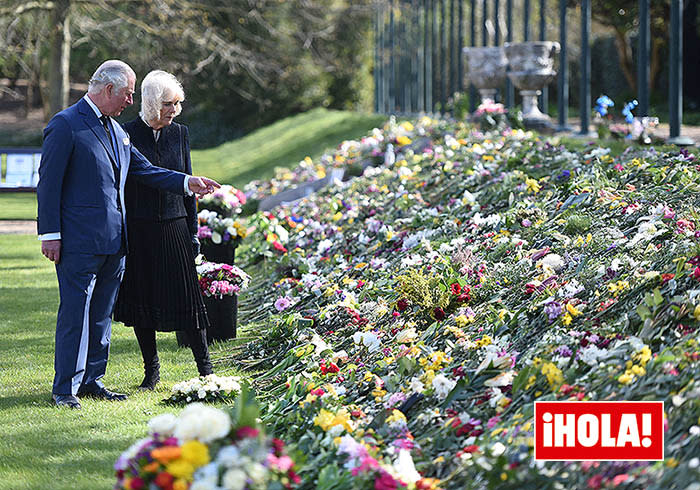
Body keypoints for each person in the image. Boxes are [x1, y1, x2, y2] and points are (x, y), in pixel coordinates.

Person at [37, 60, 219, 409]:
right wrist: (50, 234)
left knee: (102, 315)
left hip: (116, 243)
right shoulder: (66, 125)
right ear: (108, 90)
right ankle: (64, 389)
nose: (131, 101)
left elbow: (146, 171)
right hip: (79, 243)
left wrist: (187, 182)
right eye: (128, 94)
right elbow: (48, 186)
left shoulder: (117, 131)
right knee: (75, 314)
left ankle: (92, 380)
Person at [113, 70, 212, 390]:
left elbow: (188, 183)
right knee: (143, 302)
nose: (175, 110)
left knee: (189, 300)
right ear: (152, 102)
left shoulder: (180, 134)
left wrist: (194, 231)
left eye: (178, 104)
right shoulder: (125, 133)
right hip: (140, 229)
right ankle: (151, 371)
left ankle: (206, 369)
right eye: (169, 104)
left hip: (175, 227)